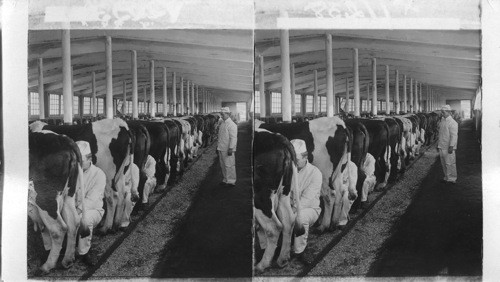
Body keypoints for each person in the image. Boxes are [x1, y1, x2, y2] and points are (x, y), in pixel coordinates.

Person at [290, 139, 322, 263]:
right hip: (290, 207)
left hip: (310, 209)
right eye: (292, 160)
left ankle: (300, 251)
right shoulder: (289, 170)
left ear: (305, 157)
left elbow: (307, 200)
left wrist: (291, 210)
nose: (293, 164)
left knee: (300, 217)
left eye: (296, 160)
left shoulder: (315, 173)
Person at [75, 141, 106, 266]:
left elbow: (93, 199)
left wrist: (77, 210)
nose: (77, 165)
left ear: (90, 159)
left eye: (80, 162)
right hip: (73, 208)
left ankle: (84, 252)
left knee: (85, 219)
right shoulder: (73, 171)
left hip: (93, 210)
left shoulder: (99, 174)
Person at [437, 105, 458, 184]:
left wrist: (451, 146)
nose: (442, 114)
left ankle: (452, 178)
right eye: (442, 112)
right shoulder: (442, 120)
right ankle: (446, 177)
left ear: (449, 112)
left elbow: (454, 136)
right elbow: (441, 134)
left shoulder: (453, 122)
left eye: (443, 112)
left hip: (448, 146)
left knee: (450, 163)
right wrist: (438, 144)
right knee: (444, 163)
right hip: (442, 145)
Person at [217, 107, 238, 187]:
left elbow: (233, 138)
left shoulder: (232, 125)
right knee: (223, 165)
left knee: (229, 165)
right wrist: (218, 147)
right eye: (221, 114)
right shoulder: (223, 123)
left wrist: (231, 148)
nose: (221, 116)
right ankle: (225, 179)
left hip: (227, 148)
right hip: (221, 147)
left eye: (222, 114)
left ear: (228, 114)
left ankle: (231, 181)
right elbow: (220, 136)